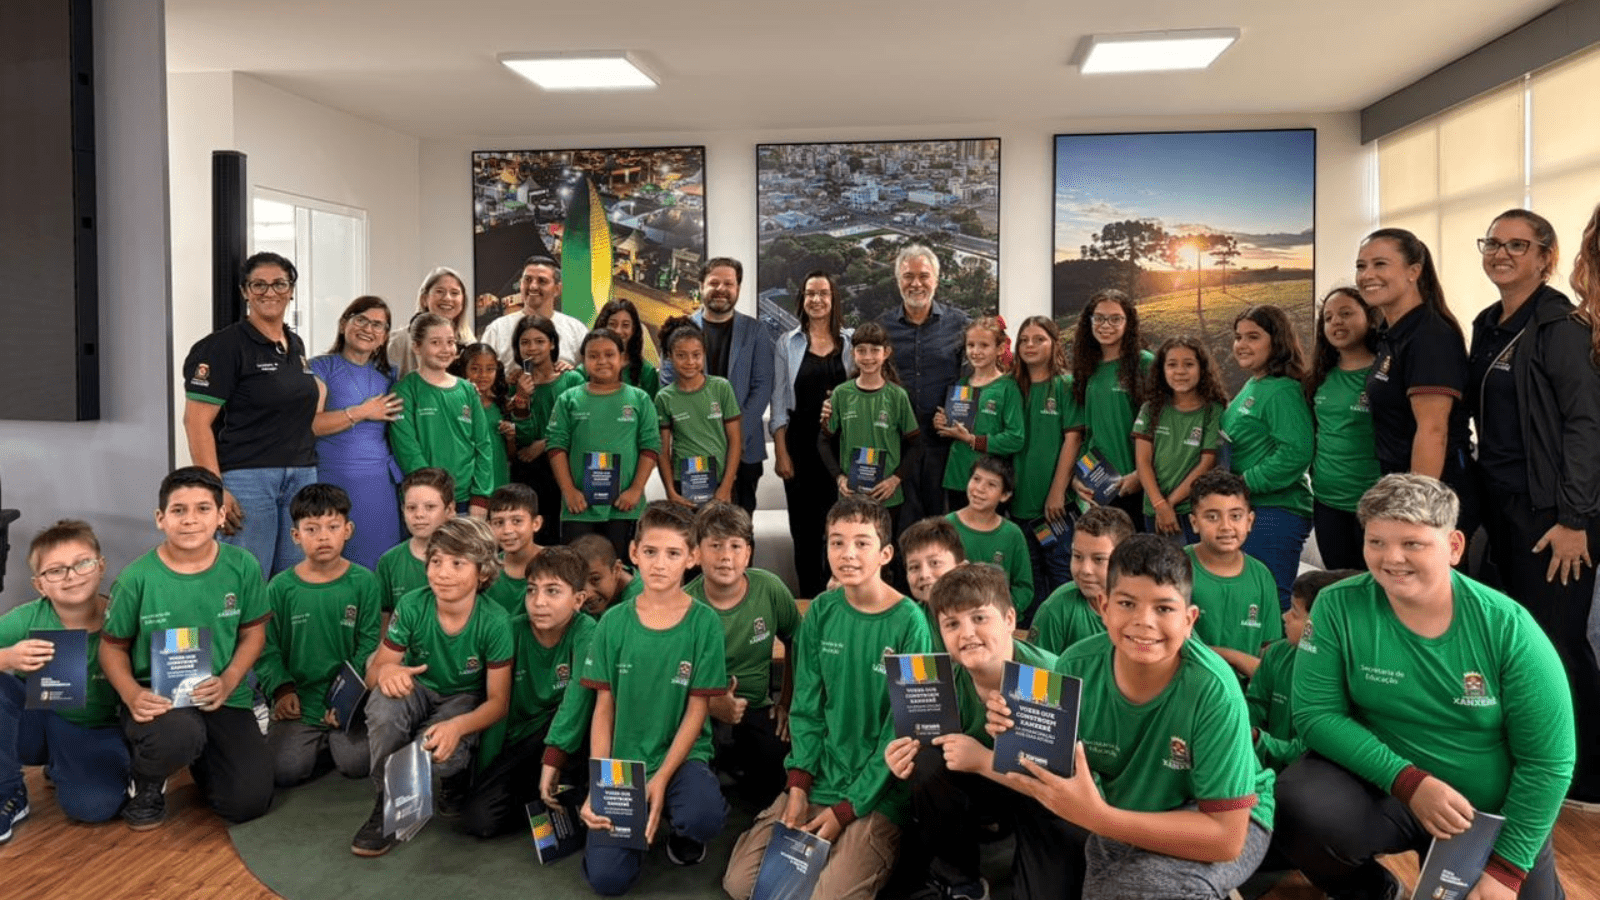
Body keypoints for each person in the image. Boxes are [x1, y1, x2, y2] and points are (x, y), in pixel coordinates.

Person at [1276, 474, 1575, 900]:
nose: (1391, 558)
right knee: (1299, 803)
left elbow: (1548, 763)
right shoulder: (1338, 604)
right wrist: (1410, 782)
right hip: (1385, 791)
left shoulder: (1507, 627)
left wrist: (1506, 872)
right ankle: (1375, 893)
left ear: (1454, 547)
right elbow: (1315, 714)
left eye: (1412, 543)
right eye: (1376, 542)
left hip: (1487, 812)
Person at [988, 535, 1275, 900]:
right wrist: (1012, 728)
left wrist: (1100, 819)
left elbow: (1227, 838)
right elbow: (1048, 764)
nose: (1144, 622)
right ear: (1104, 607)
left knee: (1142, 888)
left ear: (1190, 620)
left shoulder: (1214, 689)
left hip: (1228, 816)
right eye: (1127, 603)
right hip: (1124, 809)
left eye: (1164, 608)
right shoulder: (1075, 665)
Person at [723, 497, 933, 900]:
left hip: (876, 791)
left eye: (861, 543)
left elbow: (902, 729)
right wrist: (799, 785)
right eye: (837, 542)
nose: (847, 554)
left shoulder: (911, 623)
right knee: (740, 885)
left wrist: (846, 812)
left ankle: (882, 849)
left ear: (885, 553)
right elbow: (806, 708)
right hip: (820, 777)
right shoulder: (820, 611)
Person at [1468, 208, 1600, 805]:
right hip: (1498, 510)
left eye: (1517, 245)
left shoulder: (1561, 326)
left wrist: (1575, 521)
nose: (1501, 253)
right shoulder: (1487, 323)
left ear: (1547, 256)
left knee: (1559, 640)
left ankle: (1588, 774)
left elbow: (1585, 426)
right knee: (1517, 644)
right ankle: (1537, 758)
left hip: (1553, 517)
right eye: (1493, 243)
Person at [883, 563, 1084, 900]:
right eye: (951, 624)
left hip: (1048, 803)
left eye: (979, 618)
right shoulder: (935, 680)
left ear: (1009, 619)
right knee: (928, 760)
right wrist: (900, 757)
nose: (967, 634)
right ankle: (960, 877)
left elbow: (1062, 790)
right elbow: (923, 754)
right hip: (981, 792)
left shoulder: (1047, 676)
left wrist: (982, 760)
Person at [100, 466, 275, 829]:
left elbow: (253, 634)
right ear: (160, 518)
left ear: (221, 515)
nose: (190, 520)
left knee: (247, 803)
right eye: (179, 510)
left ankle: (201, 756)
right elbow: (111, 648)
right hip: (157, 699)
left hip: (221, 694)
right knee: (179, 734)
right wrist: (132, 694)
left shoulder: (242, 565)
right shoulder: (136, 579)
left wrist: (228, 680)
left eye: (203, 509)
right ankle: (146, 781)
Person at [577, 502, 729, 894]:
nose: (660, 564)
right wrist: (600, 783)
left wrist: (660, 779)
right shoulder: (612, 623)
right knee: (608, 881)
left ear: (692, 558)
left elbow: (698, 711)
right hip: (624, 763)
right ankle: (632, 828)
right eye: (650, 552)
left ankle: (681, 829)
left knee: (703, 816)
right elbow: (603, 708)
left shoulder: (704, 623)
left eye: (673, 553)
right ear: (633, 554)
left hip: (680, 758)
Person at [351, 517, 514, 857]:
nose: (443, 572)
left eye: (458, 563)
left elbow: (498, 703)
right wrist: (385, 674)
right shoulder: (413, 604)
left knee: (440, 750)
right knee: (382, 703)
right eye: (436, 561)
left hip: (463, 697)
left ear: (483, 572)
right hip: (419, 687)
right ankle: (387, 803)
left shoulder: (496, 621)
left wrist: (457, 727)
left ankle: (455, 773)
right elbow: (374, 672)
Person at [182, 250, 320, 578]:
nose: (269, 293)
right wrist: (215, 490)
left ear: (291, 290)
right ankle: (223, 634)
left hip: (300, 475)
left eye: (278, 284)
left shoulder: (295, 344)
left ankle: (278, 634)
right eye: (258, 285)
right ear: (245, 291)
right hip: (247, 478)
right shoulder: (223, 347)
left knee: (293, 580)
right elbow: (196, 422)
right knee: (245, 580)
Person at [0, 520, 129, 836]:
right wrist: (9, 657)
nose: (71, 576)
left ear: (100, 566)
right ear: (39, 584)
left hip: (98, 729)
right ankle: (10, 791)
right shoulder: (27, 618)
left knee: (94, 808)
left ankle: (71, 767)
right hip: (40, 719)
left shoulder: (126, 616)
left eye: (82, 563)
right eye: (55, 571)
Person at [462, 545, 597, 839]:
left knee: (587, 714)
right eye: (531, 590)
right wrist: (485, 775)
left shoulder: (588, 631)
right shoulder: (511, 630)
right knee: (478, 820)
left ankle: (569, 789)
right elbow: (495, 704)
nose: (538, 602)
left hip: (568, 739)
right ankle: (542, 799)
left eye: (552, 591)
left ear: (578, 600)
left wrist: (553, 757)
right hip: (522, 741)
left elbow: (577, 698)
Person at [255, 483, 381, 787]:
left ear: (347, 530)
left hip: (348, 704)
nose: (323, 536)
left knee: (359, 763)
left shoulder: (365, 582)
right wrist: (282, 690)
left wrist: (348, 701)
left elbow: (368, 645)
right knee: (283, 771)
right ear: (296, 536)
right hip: (300, 701)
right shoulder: (280, 588)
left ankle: (329, 745)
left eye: (332, 527)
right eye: (311, 529)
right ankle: (315, 744)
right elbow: (266, 648)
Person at [1357, 229, 1477, 535]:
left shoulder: (1429, 336)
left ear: (1414, 271)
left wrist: (1416, 513)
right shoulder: (1392, 332)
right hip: (1401, 484)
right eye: (1361, 266)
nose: (1367, 274)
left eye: (1380, 264)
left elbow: (1433, 431)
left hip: (1432, 493)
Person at [684, 502, 800, 807]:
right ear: (696, 553)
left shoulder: (770, 588)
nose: (726, 556)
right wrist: (710, 704)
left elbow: (796, 640)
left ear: (748, 553)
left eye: (736, 546)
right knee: (693, 784)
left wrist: (786, 700)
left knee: (778, 765)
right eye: (715, 546)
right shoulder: (685, 604)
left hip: (756, 706)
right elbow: (672, 677)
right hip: (699, 711)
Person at [660, 257, 775, 515]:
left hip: (744, 451)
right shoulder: (681, 329)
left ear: (738, 288)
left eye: (728, 283)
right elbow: (668, 384)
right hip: (693, 455)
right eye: (714, 282)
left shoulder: (755, 331)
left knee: (739, 531)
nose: (721, 289)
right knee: (695, 532)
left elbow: (763, 385)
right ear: (700, 286)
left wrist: (734, 436)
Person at [1223, 305, 1314, 609]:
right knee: (1251, 601)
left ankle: (1279, 658)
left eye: (1253, 337)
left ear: (1276, 341)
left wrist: (1244, 482)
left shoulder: (1283, 390)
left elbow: (1296, 452)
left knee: (1272, 601)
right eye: (1238, 337)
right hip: (1250, 508)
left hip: (1277, 511)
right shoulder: (1255, 383)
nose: (1242, 345)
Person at [545, 329, 663, 560]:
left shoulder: (639, 399)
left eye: (609, 354)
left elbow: (650, 447)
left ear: (623, 358)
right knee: (576, 572)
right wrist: (568, 491)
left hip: (624, 507)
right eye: (593, 356)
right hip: (578, 508)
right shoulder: (568, 399)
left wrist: (635, 490)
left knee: (621, 573)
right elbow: (556, 447)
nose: (602, 361)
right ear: (584, 361)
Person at [772, 271, 854, 597]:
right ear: (802, 300)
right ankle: (808, 601)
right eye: (810, 294)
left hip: (841, 446)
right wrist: (781, 451)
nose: (817, 300)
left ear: (833, 300)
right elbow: (778, 401)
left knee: (840, 528)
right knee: (804, 532)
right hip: (799, 445)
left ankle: (840, 601)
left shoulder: (850, 342)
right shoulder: (787, 343)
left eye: (823, 293)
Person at [817, 321, 920, 576]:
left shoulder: (897, 396)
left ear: (886, 353)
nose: (868, 357)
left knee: (882, 562)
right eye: (861, 350)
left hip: (887, 497)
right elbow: (823, 441)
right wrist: (838, 477)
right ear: (853, 354)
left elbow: (916, 445)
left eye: (875, 350)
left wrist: (895, 480)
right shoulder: (841, 394)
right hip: (851, 495)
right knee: (851, 559)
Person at [309, 296, 404, 570]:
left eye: (378, 325)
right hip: (333, 477)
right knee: (334, 558)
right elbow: (312, 424)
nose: (368, 329)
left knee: (380, 561)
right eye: (360, 320)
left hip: (380, 484)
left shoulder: (390, 374)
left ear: (385, 335)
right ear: (343, 324)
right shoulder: (320, 367)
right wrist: (362, 412)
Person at [878, 244, 970, 524]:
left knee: (944, 528)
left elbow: (972, 380)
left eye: (923, 276)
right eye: (908, 276)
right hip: (897, 447)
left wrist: (955, 416)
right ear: (898, 281)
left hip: (944, 447)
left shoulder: (961, 325)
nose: (916, 283)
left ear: (936, 280)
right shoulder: (881, 328)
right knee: (900, 528)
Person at [1248, 568, 1359, 772]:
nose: (1285, 616)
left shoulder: (1351, 678)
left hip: (1311, 780)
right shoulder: (1277, 653)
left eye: (1294, 612)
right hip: (1257, 772)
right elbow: (1254, 706)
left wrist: (1257, 739)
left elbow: (1311, 751)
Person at [1303, 288, 1382, 570]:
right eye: (1328, 317)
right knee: (1339, 583)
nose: (1336, 322)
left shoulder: (1384, 374)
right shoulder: (1318, 377)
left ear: (1370, 318)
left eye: (1346, 313)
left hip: (1374, 504)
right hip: (1327, 503)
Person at [388, 313, 493, 514]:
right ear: (416, 346)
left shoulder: (468, 390)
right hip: (425, 502)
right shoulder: (403, 391)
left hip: (466, 500)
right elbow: (408, 451)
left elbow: (483, 445)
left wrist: (481, 497)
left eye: (451, 342)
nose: (446, 349)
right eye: (436, 342)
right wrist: (436, 497)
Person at [1009, 315, 1083, 597]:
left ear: (1054, 344)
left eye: (1039, 339)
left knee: (1062, 575)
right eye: (1024, 340)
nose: (1030, 345)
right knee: (1030, 581)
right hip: (1018, 506)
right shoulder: (1011, 387)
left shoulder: (1065, 385)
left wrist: (1056, 492)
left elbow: (1073, 439)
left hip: (1055, 509)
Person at [1184, 471, 1283, 680]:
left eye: (1235, 516)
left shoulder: (1262, 576)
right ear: (1194, 522)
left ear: (1249, 521)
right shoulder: (1175, 567)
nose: (1226, 526)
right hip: (1187, 686)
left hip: (1245, 693)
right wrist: (1234, 657)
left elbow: (1269, 648)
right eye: (1212, 517)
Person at [1070, 289, 1154, 528]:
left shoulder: (1144, 363)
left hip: (1134, 485)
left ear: (1129, 323)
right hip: (1098, 485)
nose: (1106, 325)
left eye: (1115, 318)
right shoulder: (1088, 367)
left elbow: (1162, 426)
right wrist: (1077, 478)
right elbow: (1090, 432)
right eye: (1099, 318)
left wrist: (1140, 475)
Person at [1132, 336, 1226, 544]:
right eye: (1172, 364)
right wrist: (1159, 504)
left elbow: (1207, 463)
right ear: (1162, 370)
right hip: (1153, 509)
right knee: (1158, 573)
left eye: (1189, 364)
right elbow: (1142, 462)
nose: (1180, 371)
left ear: (1202, 369)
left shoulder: (1213, 411)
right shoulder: (1151, 409)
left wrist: (1170, 504)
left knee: (1190, 573)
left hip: (1191, 510)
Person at [507, 313, 586, 547]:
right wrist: (522, 398)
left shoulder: (571, 379)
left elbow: (580, 426)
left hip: (563, 468)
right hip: (528, 471)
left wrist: (544, 443)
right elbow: (522, 439)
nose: (532, 348)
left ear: (552, 343)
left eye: (539, 341)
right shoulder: (514, 383)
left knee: (561, 538)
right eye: (525, 342)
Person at [935, 316, 1025, 511]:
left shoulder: (1007, 388)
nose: (975, 352)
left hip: (990, 483)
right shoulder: (961, 385)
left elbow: (1015, 438)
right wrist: (942, 422)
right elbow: (953, 428)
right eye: (971, 345)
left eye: (984, 345)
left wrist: (973, 440)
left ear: (1000, 349)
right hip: (958, 479)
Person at [654, 317, 742, 508]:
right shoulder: (664, 398)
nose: (690, 362)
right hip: (682, 485)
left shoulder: (721, 388)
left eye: (696, 355)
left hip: (719, 482)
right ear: (669, 356)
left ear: (704, 355)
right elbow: (662, 449)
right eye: (681, 355)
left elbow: (735, 441)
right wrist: (670, 490)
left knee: (717, 536)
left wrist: (726, 486)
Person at [1030, 505, 1133, 656]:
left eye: (1098, 559)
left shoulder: (1141, 609)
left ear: (1126, 560)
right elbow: (1029, 675)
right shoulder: (1055, 609)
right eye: (1077, 556)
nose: (1085, 570)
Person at [946, 456, 1034, 620]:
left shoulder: (1012, 534)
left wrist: (1000, 609)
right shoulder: (947, 526)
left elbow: (1024, 587)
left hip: (998, 620)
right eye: (976, 479)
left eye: (991, 485)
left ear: (1005, 495)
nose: (979, 489)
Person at [481, 256, 588, 370]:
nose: (533, 286)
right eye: (527, 280)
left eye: (542, 281)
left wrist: (573, 374)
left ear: (557, 289)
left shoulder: (576, 330)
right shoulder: (497, 329)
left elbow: (589, 376)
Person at [375, 468, 455, 614]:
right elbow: (384, 615)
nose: (419, 515)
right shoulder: (389, 561)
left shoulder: (467, 557)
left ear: (449, 510)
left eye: (430, 507)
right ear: (403, 510)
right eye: (411, 508)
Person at [449, 342, 515, 492]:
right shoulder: (456, 404)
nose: (483, 375)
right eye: (475, 369)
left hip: (499, 481)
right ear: (463, 370)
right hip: (467, 483)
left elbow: (511, 454)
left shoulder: (503, 404)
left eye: (490, 369)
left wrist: (510, 436)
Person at [390, 266, 475, 378]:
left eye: (454, 293)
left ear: (463, 301)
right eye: (440, 291)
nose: (447, 298)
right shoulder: (399, 341)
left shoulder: (470, 343)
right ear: (424, 299)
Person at [900, 516, 968, 651]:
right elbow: (904, 671)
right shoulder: (906, 622)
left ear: (962, 569)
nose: (924, 575)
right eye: (914, 567)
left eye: (935, 563)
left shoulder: (985, 612)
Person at [479, 483, 545, 615]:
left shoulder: (556, 564)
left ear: (536, 523)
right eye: (499, 523)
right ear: (489, 526)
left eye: (517, 521)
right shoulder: (487, 571)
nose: (507, 530)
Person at [595, 298, 661, 397]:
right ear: (602, 327)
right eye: (612, 324)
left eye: (625, 325)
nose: (618, 331)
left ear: (633, 330)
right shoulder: (589, 365)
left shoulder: (646, 372)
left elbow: (651, 410)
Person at [570, 533, 641, 617]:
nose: (588, 594)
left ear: (617, 569)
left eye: (595, 579)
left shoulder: (644, 600)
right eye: (579, 582)